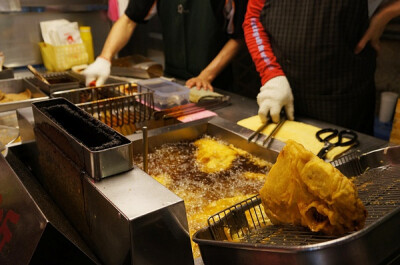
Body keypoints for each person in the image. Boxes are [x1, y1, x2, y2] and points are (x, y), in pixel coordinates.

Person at [243, 0, 400, 135]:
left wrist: (384, 14)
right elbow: (254, 18)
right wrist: (271, 74)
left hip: (343, 101)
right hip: (282, 92)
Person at [84, 0, 248, 91]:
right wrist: (104, 58)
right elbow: (128, 20)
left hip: (215, 85)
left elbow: (239, 36)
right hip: (172, 81)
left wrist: (206, 76)